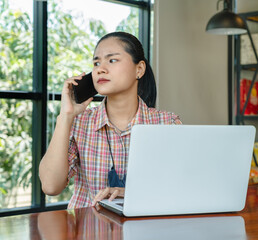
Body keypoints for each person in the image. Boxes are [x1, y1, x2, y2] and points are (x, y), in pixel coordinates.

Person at [39, 32, 182, 209]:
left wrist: (132, 194)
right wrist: (66, 116)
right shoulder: (80, 123)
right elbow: (50, 186)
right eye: (96, 63)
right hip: (87, 231)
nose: (100, 69)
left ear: (139, 69)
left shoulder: (167, 124)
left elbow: (180, 188)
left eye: (112, 60)